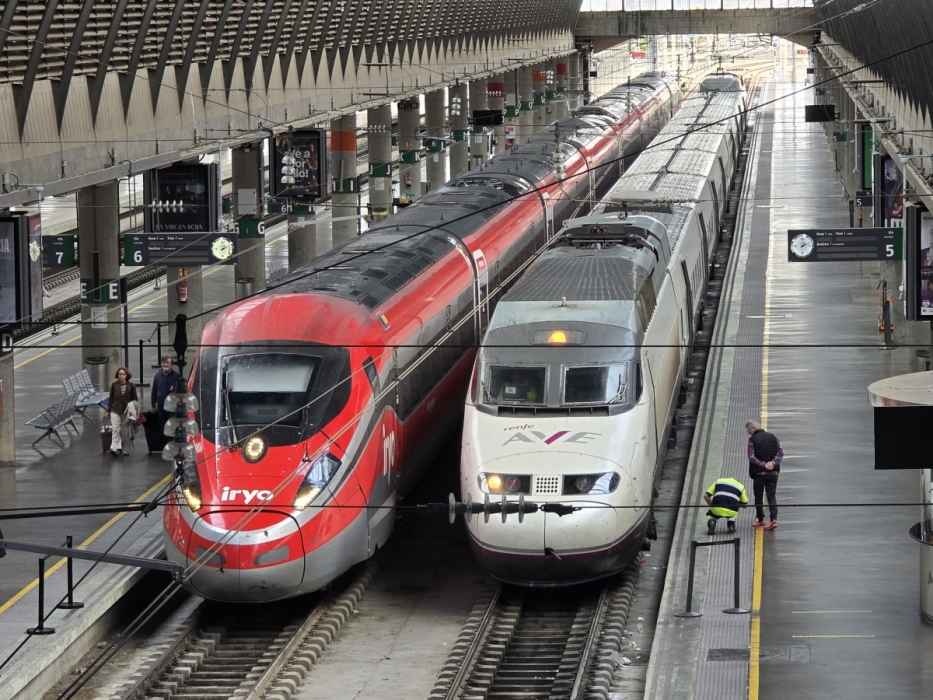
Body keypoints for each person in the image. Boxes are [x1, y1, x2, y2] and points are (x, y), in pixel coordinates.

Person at [746, 420, 784, 530]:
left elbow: (751, 457)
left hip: (759, 474)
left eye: (749, 430)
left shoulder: (752, 440)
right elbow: (780, 453)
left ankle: (760, 520)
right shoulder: (773, 437)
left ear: (753, 428)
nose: (749, 433)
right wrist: (772, 463)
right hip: (773, 473)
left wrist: (763, 465)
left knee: (758, 497)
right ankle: (773, 520)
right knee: (771, 495)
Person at [106, 367, 138, 457]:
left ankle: (125, 449)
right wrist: (108, 411)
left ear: (126, 376)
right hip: (115, 409)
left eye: (123, 374)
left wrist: (133, 408)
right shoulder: (114, 385)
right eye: (120, 374)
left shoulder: (131, 386)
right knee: (115, 429)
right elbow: (111, 399)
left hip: (126, 411)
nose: (121, 376)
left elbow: (135, 399)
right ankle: (114, 448)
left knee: (125, 431)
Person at [151, 355, 181, 431]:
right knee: (162, 425)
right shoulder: (157, 376)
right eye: (164, 362)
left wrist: (174, 389)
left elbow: (180, 391)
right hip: (161, 406)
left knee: (170, 426)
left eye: (167, 362)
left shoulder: (176, 376)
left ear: (172, 364)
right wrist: (153, 405)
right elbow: (154, 391)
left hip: (172, 407)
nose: (165, 364)